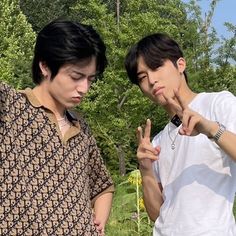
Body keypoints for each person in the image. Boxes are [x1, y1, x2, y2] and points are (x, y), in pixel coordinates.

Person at [0, 19, 114, 236]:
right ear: (44, 66)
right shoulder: (8, 106)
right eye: (76, 76)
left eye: (91, 79)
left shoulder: (81, 128)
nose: (84, 88)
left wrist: (99, 220)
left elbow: (102, 185)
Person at [125, 33, 236, 236]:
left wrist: (210, 129)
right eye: (142, 77)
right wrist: (146, 169)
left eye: (156, 66)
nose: (151, 80)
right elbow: (157, 213)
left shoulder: (219, 104)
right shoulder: (157, 141)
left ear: (180, 65)